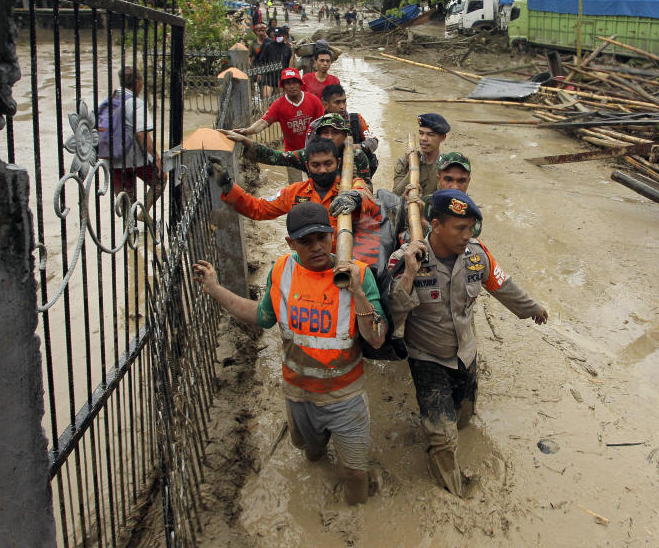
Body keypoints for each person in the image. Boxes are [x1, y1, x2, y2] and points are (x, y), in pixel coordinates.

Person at [192, 202, 385, 505]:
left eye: (322, 237)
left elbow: (375, 338)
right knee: (313, 454)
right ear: (290, 243)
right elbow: (261, 316)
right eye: (305, 241)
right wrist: (216, 289)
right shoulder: (282, 270)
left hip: (345, 398)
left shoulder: (358, 274)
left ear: (332, 235)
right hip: (299, 396)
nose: (317, 247)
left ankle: (356, 520)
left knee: (356, 473)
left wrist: (358, 293)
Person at [387, 190, 548, 497]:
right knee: (442, 435)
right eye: (460, 228)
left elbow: (504, 286)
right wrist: (408, 274)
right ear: (436, 225)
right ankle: (454, 489)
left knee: (464, 415)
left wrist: (534, 310)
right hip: (427, 357)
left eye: (471, 227)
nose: (467, 235)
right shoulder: (407, 259)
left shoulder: (477, 256)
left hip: (465, 355)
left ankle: (451, 429)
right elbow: (391, 313)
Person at [210, 135, 376, 230]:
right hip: (309, 265)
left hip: (346, 265)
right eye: (316, 165)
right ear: (307, 166)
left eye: (328, 163)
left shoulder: (352, 185)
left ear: (338, 163)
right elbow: (259, 209)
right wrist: (227, 185)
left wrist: (355, 197)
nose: (323, 170)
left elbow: (369, 198)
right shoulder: (295, 192)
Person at [222, 113, 376, 187]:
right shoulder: (309, 154)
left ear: (344, 135)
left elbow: (367, 187)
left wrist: (355, 189)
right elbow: (277, 157)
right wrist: (245, 141)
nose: (329, 137)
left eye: (335, 133)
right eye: (325, 132)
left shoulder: (356, 156)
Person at [234, 68, 324, 183]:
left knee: (317, 182)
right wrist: (246, 131)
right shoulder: (278, 105)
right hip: (292, 153)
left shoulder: (313, 100)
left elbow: (323, 125)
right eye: (288, 83)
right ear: (283, 86)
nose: (292, 86)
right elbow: (263, 123)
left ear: (300, 83)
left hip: (313, 150)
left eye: (294, 82)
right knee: (295, 187)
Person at [98, 66, 166, 209]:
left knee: (125, 200)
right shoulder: (137, 103)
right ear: (137, 82)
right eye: (141, 81)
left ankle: (129, 228)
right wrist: (156, 158)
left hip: (113, 160)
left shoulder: (107, 101)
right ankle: (144, 213)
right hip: (137, 159)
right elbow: (141, 134)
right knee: (161, 180)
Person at [392, 113, 450, 196]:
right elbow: (394, 196)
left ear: (443, 138)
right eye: (421, 133)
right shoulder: (404, 161)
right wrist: (412, 167)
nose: (423, 138)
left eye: (430, 135)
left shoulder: (448, 165)